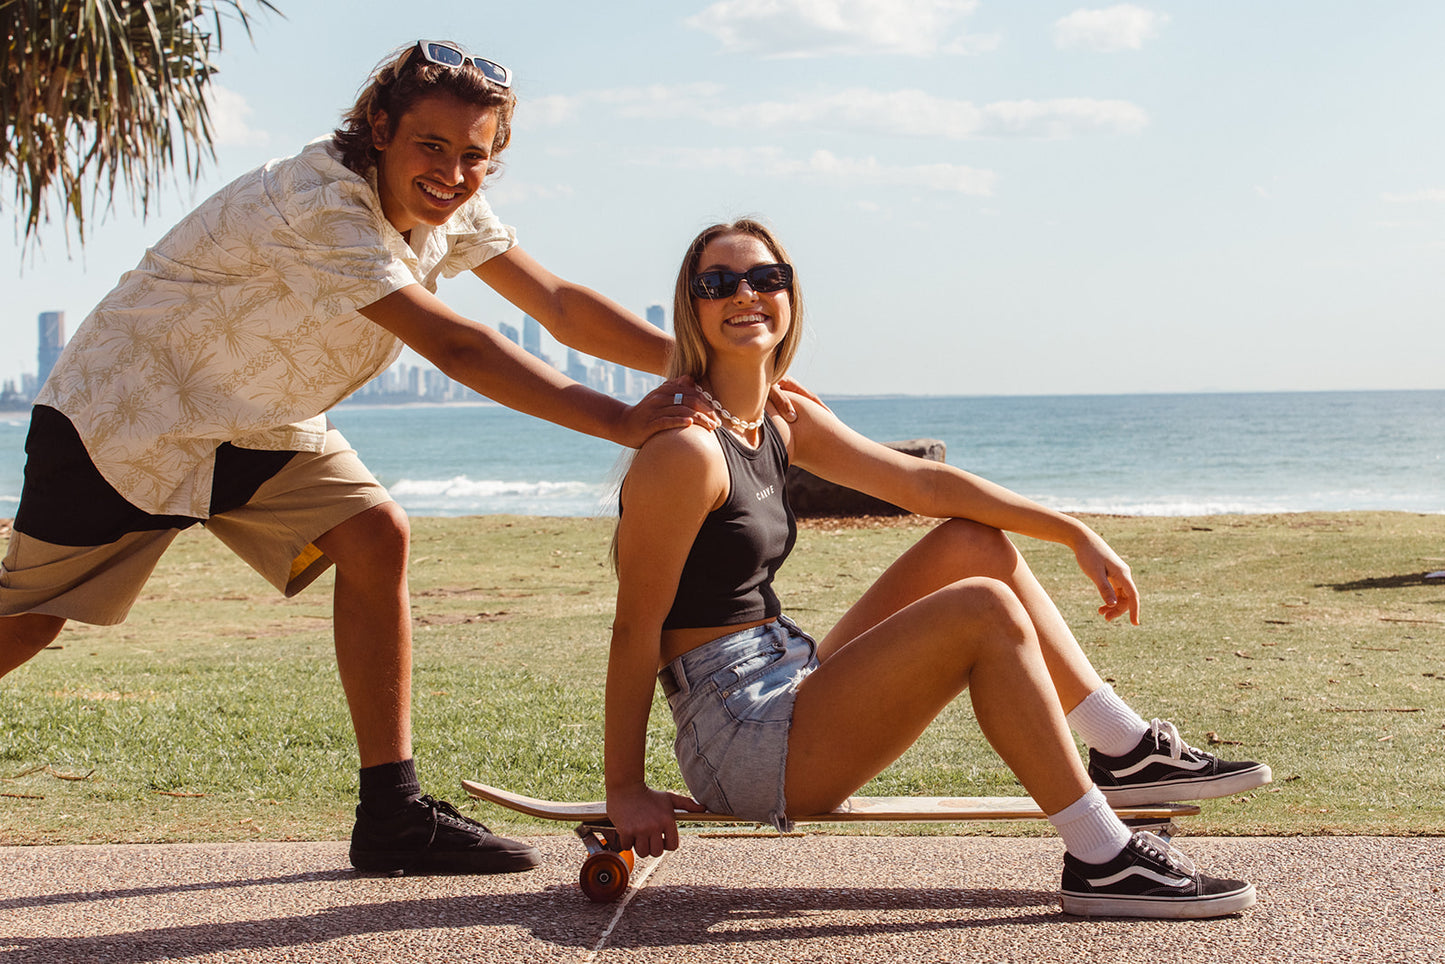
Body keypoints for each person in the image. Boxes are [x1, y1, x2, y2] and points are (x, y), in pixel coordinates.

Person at [0, 41, 811, 877]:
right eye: (432, 146)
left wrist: (718, 370)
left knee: (376, 534)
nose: (453, 173)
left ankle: (390, 812)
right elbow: (457, 347)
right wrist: (621, 419)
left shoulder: (448, 208)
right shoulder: (322, 204)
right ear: (379, 128)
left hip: (260, 426)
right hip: (128, 419)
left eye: (475, 157)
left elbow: (560, 306)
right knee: (28, 621)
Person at [604, 218, 1271, 918]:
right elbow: (633, 628)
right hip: (740, 739)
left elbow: (922, 487)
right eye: (718, 283)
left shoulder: (777, 418)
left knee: (972, 545)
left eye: (766, 279)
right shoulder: (686, 452)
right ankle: (1100, 856)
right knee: (982, 609)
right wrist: (625, 786)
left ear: (790, 296)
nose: (746, 294)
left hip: (787, 674)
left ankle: (1123, 748)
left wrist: (1070, 531)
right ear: (693, 308)